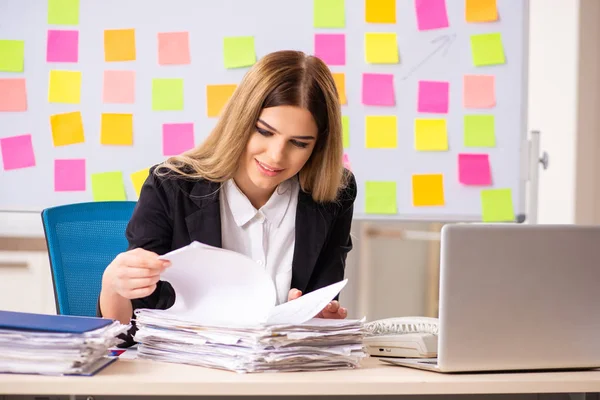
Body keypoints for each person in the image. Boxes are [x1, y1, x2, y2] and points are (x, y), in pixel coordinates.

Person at [97, 50, 357, 340]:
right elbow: (128, 330)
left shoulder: (334, 196)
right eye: (264, 132)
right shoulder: (171, 186)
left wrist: (319, 319)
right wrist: (112, 284)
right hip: (187, 375)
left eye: (298, 143)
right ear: (241, 121)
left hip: (282, 378)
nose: (276, 156)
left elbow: (322, 303)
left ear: (318, 147)